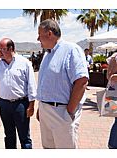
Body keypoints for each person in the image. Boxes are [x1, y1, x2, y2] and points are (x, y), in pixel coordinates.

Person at [36, 19, 89, 149]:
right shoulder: (47, 55)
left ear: (49, 34)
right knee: (48, 148)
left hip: (61, 112)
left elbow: (81, 81)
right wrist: (41, 106)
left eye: (39, 35)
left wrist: (69, 111)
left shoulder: (71, 49)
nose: (38, 39)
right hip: (46, 111)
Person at [106, 53, 117, 149]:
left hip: (114, 93)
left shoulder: (113, 57)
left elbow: (108, 76)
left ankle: (112, 145)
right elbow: (112, 76)